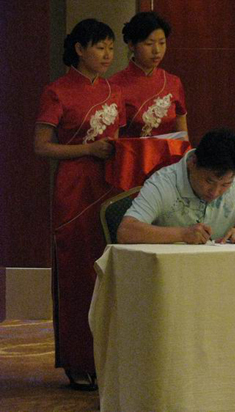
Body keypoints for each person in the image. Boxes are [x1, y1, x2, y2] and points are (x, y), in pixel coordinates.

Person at [34, 19, 125, 390]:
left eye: (111, 47)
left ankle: (108, 358)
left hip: (111, 186)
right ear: (79, 49)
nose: (107, 55)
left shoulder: (114, 90)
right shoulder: (57, 91)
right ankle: (77, 360)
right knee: (77, 273)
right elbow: (42, 147)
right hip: (74, 190)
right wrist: (88, 149)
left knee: (111, 272)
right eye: (100, 47)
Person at [117, 128, 235, 244]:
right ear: (193, 163)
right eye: (209, 181)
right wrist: (182, 235)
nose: (215, 192)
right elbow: (126, 231)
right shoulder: (163, 182)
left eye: (225, 185)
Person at [109, 11, 189, 140]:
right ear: (131, 45)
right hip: (131, 152)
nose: (157, 50)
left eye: (162, 43)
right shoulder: (114, 85)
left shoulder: (173, 82)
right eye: (149, 44)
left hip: (168, 152)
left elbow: (182, 135)